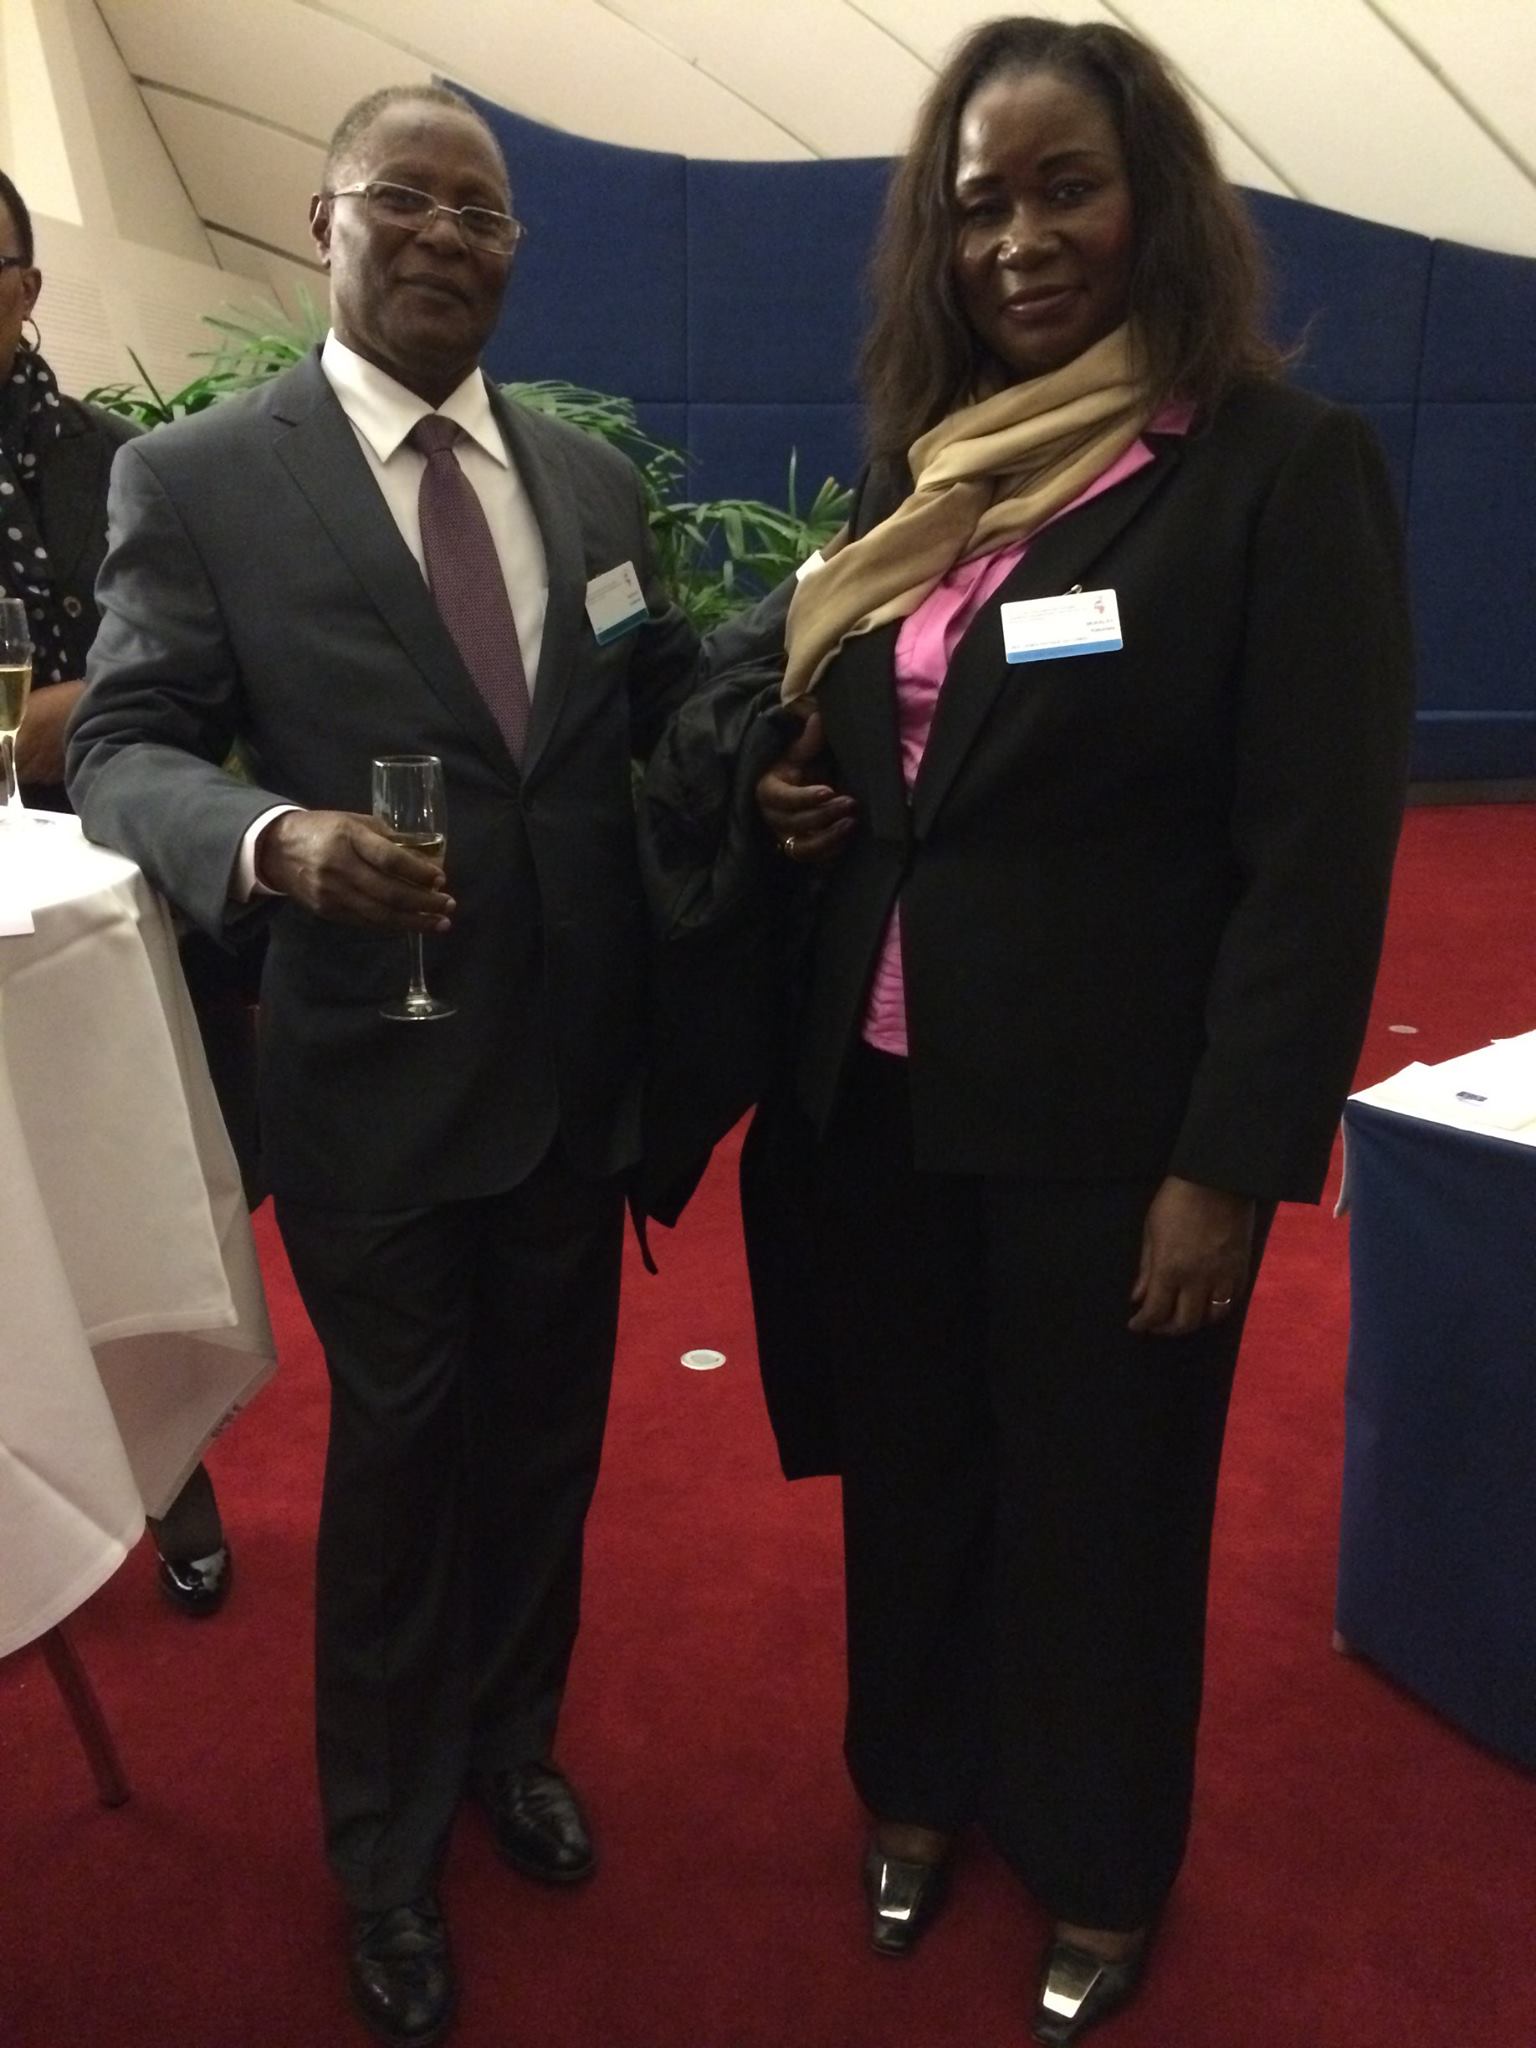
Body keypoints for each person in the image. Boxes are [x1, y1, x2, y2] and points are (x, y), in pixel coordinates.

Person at [740, 18, 1414, 2043]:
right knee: (915, 1468)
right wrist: (807, 789)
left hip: (1116, 1128)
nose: (1019, 241)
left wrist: (1229, 1165)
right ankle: (917, 1783)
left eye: (1064, 191)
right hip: (882, 1093)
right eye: (979, 207)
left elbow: (1315, 861)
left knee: (1102, 1510)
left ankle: (1102, 1860)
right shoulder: (934, 465)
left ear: (1155, 205)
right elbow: (904, 736)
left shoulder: (1276, 470)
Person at [67, 83, 746, 2047]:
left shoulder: (591, 486)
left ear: (515, 252)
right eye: (408, 199)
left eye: (484, 212)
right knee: (399, 1469)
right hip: (376, 1073)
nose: (448, 234)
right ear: (325, 220)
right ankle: (383, 1850)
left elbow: (652, 701)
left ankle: (512, 1746)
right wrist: (271, 842)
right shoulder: (203, 479)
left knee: (545, 1447)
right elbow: (121, 747)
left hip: (570, 1074)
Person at [0, 164, 235, 1616]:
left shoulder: (127, 463)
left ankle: (166, 1466)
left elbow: (185, 691)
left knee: (115, 1184)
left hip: (112, 904)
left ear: (28, 286)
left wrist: (62, 721)